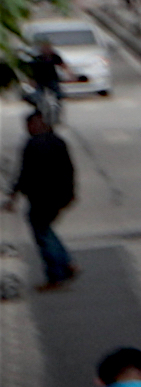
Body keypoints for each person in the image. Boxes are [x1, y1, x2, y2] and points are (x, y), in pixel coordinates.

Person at [14, 103, 73, 289]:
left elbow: (25, 173)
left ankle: (56, 275)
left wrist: (13, 195)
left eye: (29, 125)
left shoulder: (32, 145)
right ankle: (66, 263)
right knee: (46, 229)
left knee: (42, 233)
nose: (28, 129)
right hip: (59, 195)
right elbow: (69, 169)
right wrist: (70, 193)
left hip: (41, 197)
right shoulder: (58, 141)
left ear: (36, 124)